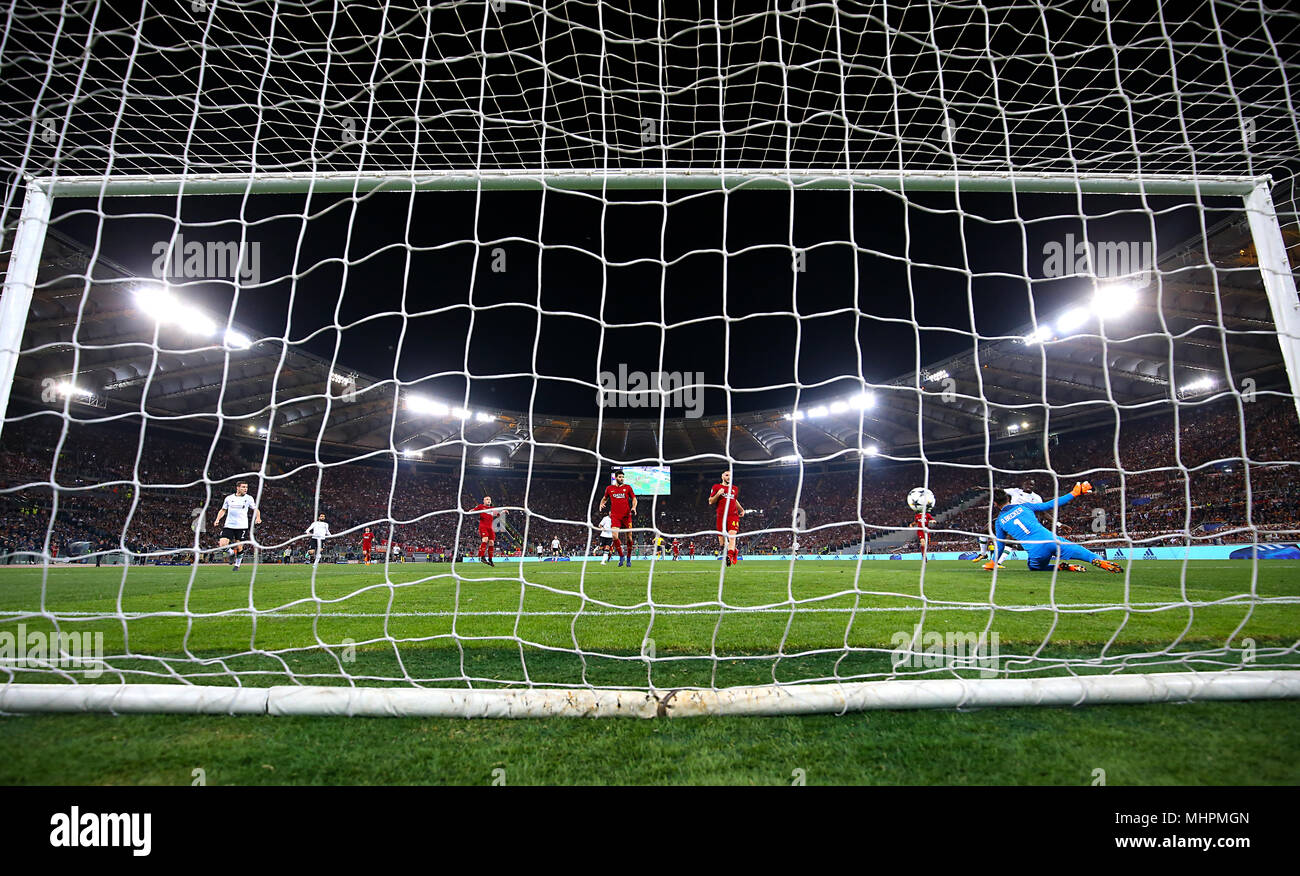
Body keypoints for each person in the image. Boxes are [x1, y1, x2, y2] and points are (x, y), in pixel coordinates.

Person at [986, 482, 1123, 573]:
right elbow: (1049, 505)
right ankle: (1097, 560)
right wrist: (1074, 493)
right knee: (1080, 550)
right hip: (1052, 540)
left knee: (1034, 567)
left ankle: (1059, 567)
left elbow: (1000, 545)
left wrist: (993, 563)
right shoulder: (1025, 506)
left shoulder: (999, 522)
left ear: (995, 504)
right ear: (1009, 499)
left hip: (1036, 551)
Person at [214, 481, 260, 571]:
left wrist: (258, 517)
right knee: (222, 544)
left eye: (246, 487)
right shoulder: (229, 498)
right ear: (237, 488)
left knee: (239, 547)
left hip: (242, 526)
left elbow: (256, 509)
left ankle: (237, 565)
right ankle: (231, 553)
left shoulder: (249, 498)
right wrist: (217, 519)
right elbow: (223, 510)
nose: (245, 489)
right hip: (229, 525)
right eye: (243, 487)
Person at [598, 470, 637, 567]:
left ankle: (628, 557)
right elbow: (604, 498)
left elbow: (634, 498)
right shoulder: (609, 488)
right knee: (614, 536)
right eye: (620, 477)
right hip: (615, 516)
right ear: (615, 478)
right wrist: (601, 504)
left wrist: (633, 507)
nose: (622, 479)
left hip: (626, 516)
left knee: (629, 538)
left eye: (622, 477)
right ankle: (621, 556)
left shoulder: (627, 487)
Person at [707, 469, 745, 567]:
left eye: (730, 476)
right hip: (721, 517)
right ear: (722, 476)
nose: (728, 477)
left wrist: (741, 509)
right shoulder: (716, 487)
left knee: (732, 537)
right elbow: (710, 501)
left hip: (733, 516)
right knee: (722, 544)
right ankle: (734, 551)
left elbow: (735, 500)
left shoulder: (735, 488)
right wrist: (718, 494)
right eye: (726, 475)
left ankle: (729, 556)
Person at [471, 497, 502, 566]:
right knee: (485, 539)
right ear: (484, 501)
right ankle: (482, 556)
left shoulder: (492, 508)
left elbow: (498, 514)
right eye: (487, 499)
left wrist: (503, 511)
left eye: (490, 500)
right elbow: (474, 510)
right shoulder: (481, 506)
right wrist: (471, 511)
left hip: (490, 528)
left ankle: (490, 559)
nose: (489, 501)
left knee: (491, 542)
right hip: (483, 526)